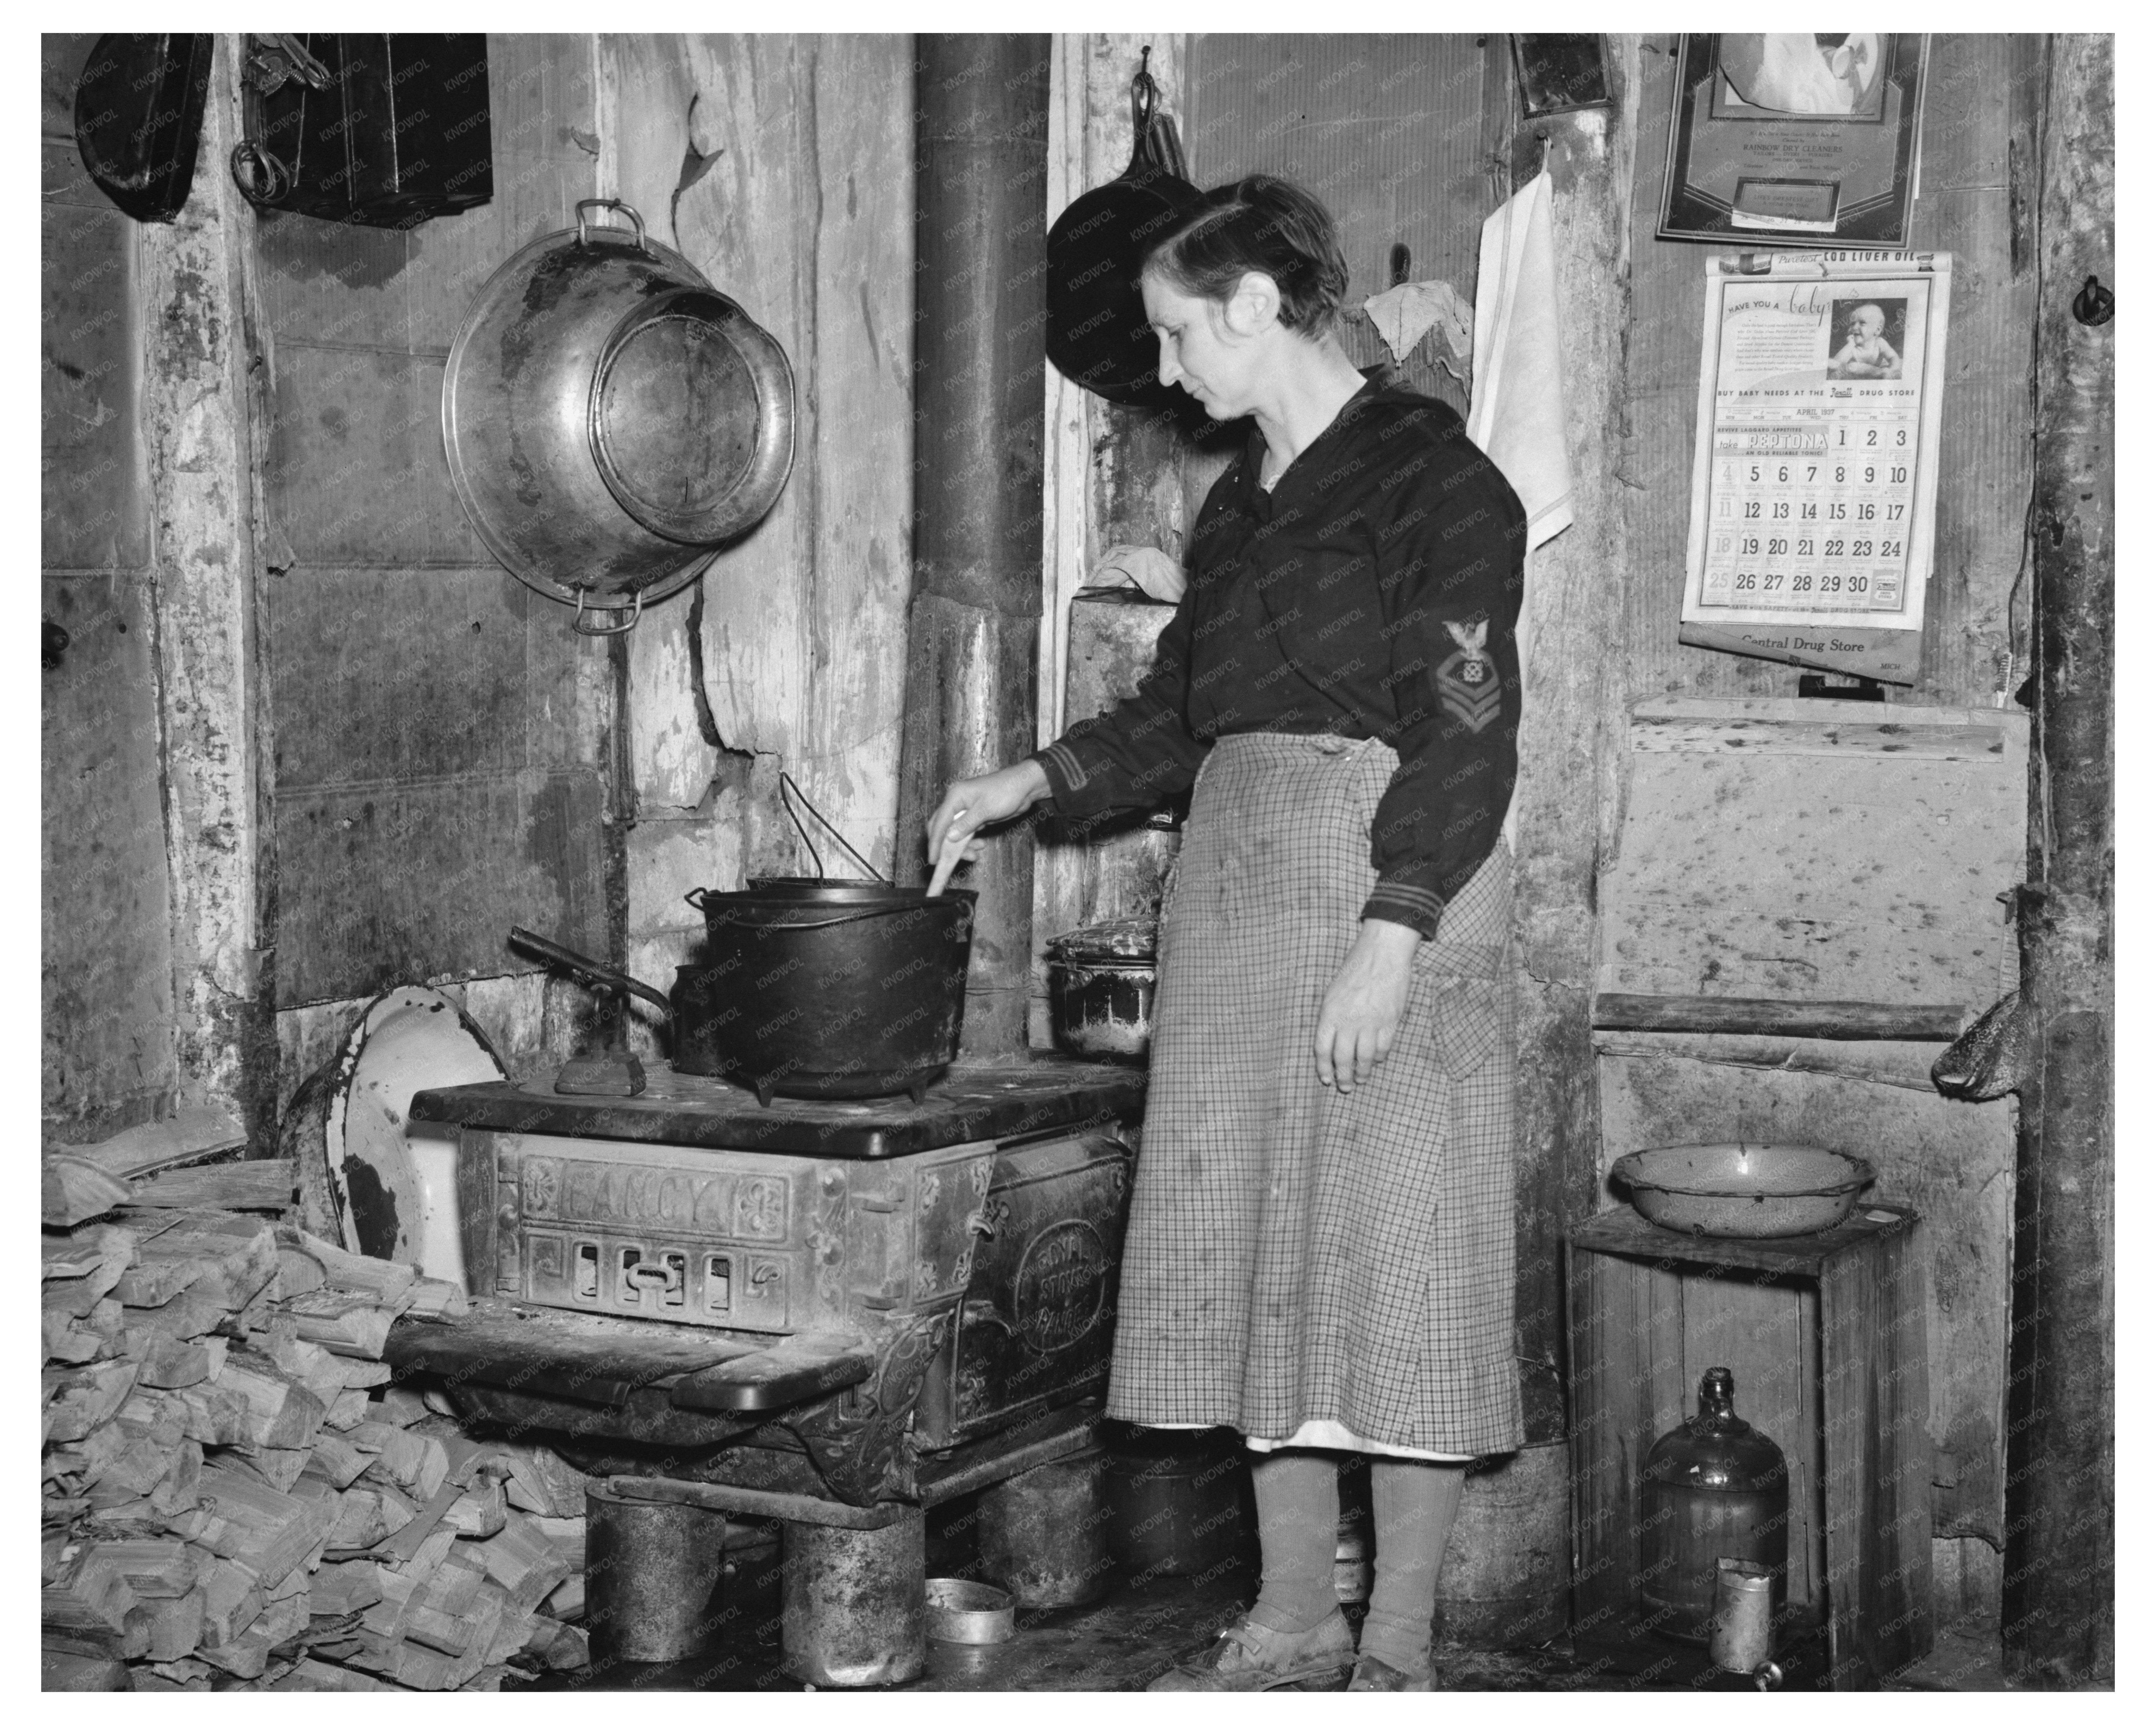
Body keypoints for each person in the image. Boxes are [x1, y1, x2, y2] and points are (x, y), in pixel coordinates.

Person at [926, 175, 1526, 1693]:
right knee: (1258, 1242)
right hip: (1241, 893)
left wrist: (1393, 932)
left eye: (1179, 333)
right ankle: (1285, 1614)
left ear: (1258, 306)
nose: (1169, 368)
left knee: (1395, 1259)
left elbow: (1466, 729)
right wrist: (1029, 777)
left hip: (1393, 875)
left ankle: (1393, 1642)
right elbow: (1182, 715)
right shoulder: (1240, 501)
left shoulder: (1437, 485)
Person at [1827, 302, 1901, 380]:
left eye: (1862, 323)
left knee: (1884, 372)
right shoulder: (1853, 347)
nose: (1855, 327)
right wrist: (1850, 345)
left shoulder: (1880, 343)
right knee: (1845, 366)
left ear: (1878, 330)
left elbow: (1893, 357)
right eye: (1852, 324)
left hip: (1877, 371)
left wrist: (1892, 370)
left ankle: (1880, 373)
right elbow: (1836, 364)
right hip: (1859, 375)